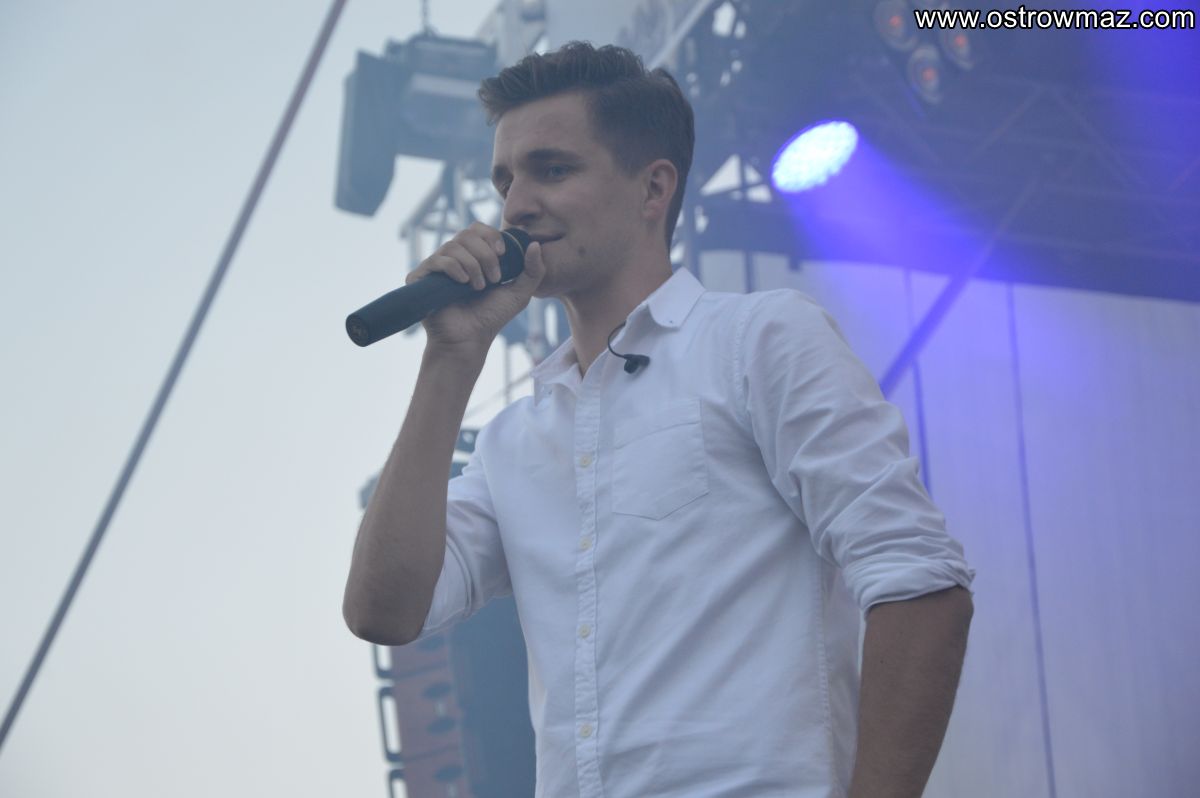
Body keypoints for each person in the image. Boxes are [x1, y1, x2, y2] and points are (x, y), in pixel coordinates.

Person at [343, 41, 975, 798]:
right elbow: (384, 611)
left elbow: (919, 580)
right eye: (505, 180)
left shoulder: (757, 340)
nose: (516, 207)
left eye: (553, 170)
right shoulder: (514, 442)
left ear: (653, 189)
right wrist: (450, 358)